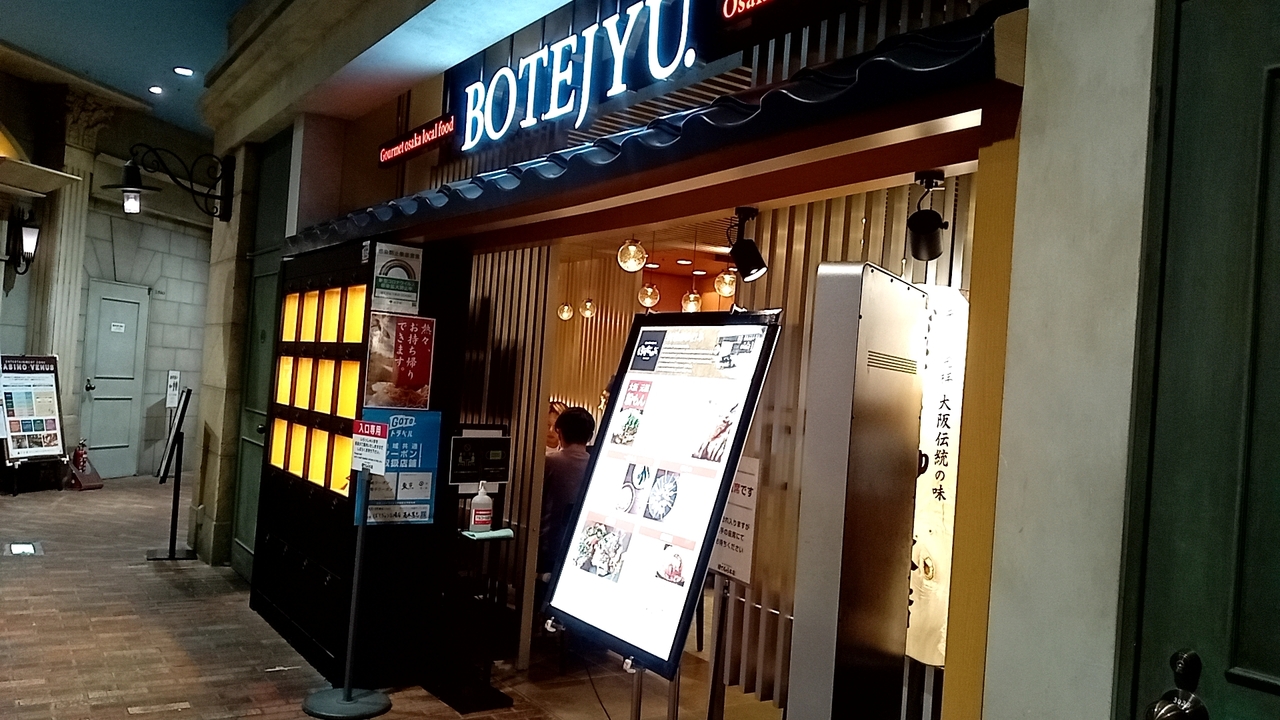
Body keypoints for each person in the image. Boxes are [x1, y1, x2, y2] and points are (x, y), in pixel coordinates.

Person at [539, 407, 595, 577]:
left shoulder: (548, 463)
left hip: (547, 549)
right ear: (590, 436)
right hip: (581, 548)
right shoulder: (596, 465)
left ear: (559, 431)